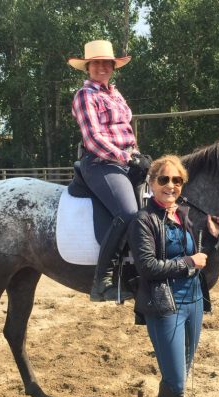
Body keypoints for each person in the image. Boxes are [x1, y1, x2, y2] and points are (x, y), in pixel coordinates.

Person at [127, 155, 219, 397]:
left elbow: (196, 257)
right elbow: (147, 267)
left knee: (181, 372)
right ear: (152, 183)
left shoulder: (182, 215)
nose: (171, 185)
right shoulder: (143, 220)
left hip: (194, 302)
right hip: (165, 305)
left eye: (177, 180)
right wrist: (189, 262)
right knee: (176, 381)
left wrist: (211, 239)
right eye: (164, 179)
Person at [69, 40, 150, 302]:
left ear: (113, 67)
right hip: (100, 163)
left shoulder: (115, 94)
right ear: (88, 67)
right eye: (96, 63)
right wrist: (126, 158)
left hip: (126, 159)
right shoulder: (85, 96)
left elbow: (126, 131)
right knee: (128, 213)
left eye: (107, 63)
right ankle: (102, 281)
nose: (102, 67)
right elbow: (93, 138)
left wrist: (138, 155)